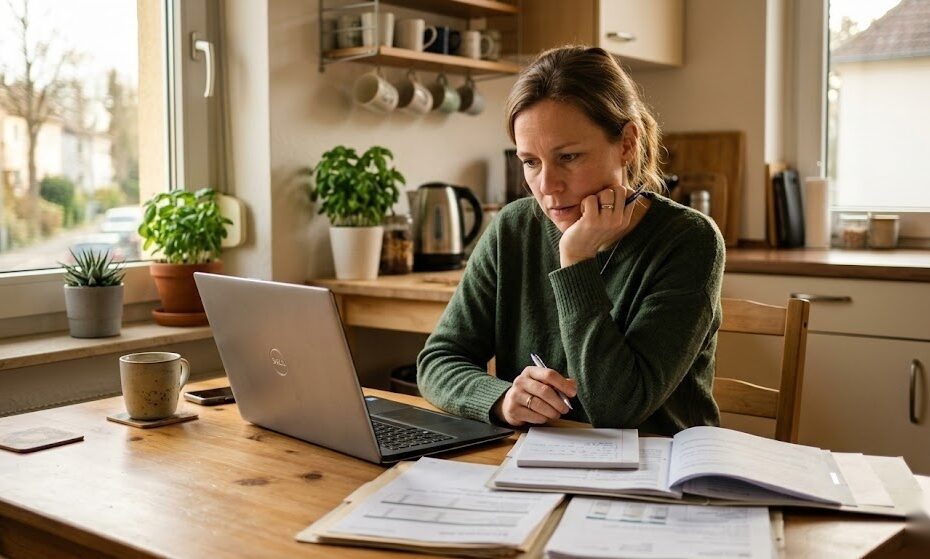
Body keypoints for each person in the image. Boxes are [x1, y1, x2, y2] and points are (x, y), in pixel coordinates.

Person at [416, 46, 724, 436]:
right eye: (531, 162)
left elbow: (616, 408)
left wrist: (576, 261)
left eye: (569, 157)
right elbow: (439, 359)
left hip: (663, 475)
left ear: (627, 143)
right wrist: (501, 398)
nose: (547, 186)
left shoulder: (690, 241)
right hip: (536, 468)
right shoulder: (512, 228)